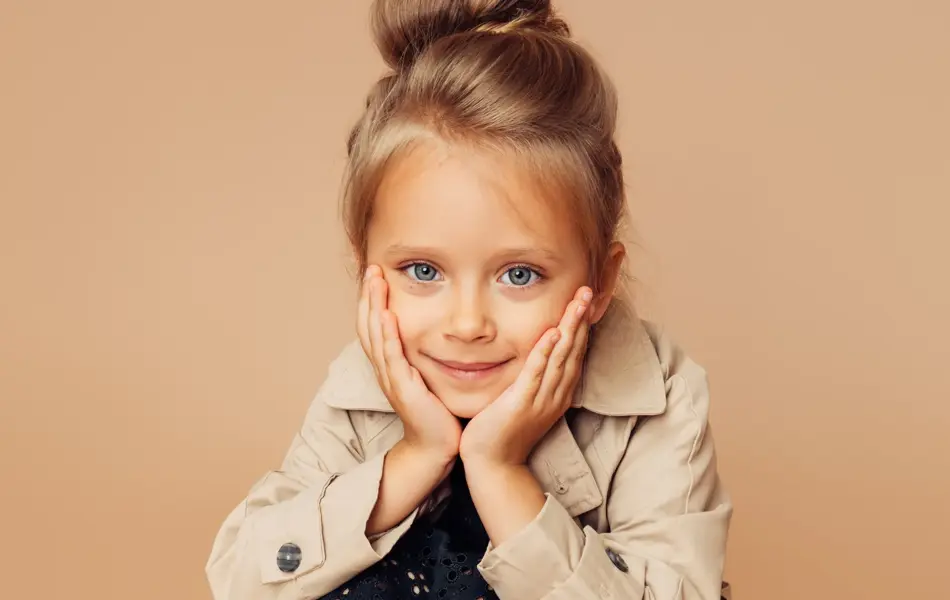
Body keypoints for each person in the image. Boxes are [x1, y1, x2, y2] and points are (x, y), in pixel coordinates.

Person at [205, 1, 733, 598]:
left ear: (601, 283)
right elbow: (242, 580)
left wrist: (501, 472)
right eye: (423, 269)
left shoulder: (657, 400)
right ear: (365, 270)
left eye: (520, 275)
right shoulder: (365, 383)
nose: (467, 323)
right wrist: (416, 455)